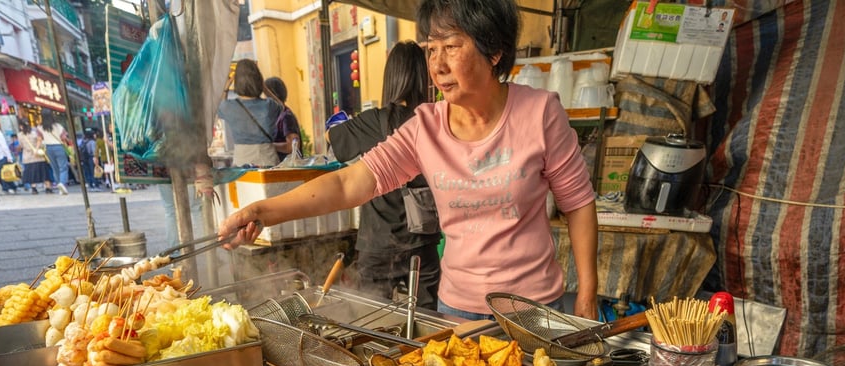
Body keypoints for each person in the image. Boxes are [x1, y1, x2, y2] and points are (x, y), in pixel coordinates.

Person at [221, 0, 599, 320]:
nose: (437, 65)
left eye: (451, 46)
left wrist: (587, 293)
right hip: (458, 309)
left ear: (494, 50)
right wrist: (263, 212)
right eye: (430, 50)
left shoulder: (539, 113)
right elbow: (348, 183)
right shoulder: (425, 127)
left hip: (533, 310)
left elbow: (578, 204)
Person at [327, 41, 442, 309]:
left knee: (373, 323)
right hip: (422, 241)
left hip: (377, 242)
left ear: (390, 78)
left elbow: (333, 139)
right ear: (424, 79)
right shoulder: (433, 121)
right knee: (428, 323)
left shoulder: (372, 121)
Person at [217, 59, 283, 167]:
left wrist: (225, 88)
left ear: (237, 82)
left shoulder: (229, 107)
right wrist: (265, 88)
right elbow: (281, 106)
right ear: (259, 80)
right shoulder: (269, 106)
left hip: (242, 163)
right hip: (268, 161)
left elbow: (220, 108)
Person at [264, 76, 302, 161]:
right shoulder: (276, 115)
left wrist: (269, 146)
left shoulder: (286, 116)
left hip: (286, 168)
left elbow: (292, 146)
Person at [18, 121, 53, 194]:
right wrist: (36, 149)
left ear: (21, 126)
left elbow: (21, 145)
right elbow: (40, 141)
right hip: (38, 156)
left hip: (27, 157)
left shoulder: (20, 135)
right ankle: (48, 188)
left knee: (31, 174)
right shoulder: (34, 133)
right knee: (44, 173)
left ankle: (34, 188)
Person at [40, 114, 70, 194]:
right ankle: (62, 183)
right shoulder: (58, 126)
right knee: (63, 167)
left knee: (54, 168)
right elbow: (64, 138)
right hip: (58, 146)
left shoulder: (40, 128)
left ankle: (59, 184)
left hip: (48, 148)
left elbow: (40, 139)